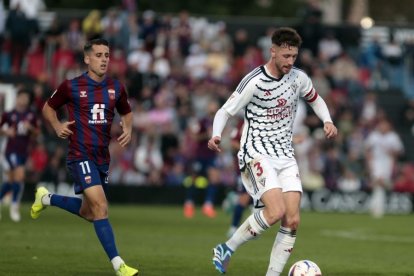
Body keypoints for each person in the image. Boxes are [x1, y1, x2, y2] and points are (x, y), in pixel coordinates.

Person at [208, 27, 337, 275]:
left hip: (285, 156)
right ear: (273, 51)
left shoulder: (298, 78)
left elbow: (316, 99)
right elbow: (225, 111)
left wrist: (327, 120)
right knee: (276, 212)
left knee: (293, 219)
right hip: (256, 151)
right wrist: (216, 134)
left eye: (294, 57)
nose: (290, 62)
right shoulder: (254, 81)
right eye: (286, 56)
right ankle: (226, 248)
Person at [30, 38, 139, 276]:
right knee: (101, 207)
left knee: (90, 213)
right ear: (87, 59)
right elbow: (48, 108)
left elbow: (127, 113)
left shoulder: (116, 88)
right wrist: (57, 125)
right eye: (98, 55)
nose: (103, 60)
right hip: (80, 154)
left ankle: (46, 198)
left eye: (107, 55)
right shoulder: (71, 86)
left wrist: (128, 129)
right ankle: (118, 265)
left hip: (102, 157)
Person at [0, 89, 39, 222]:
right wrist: (6, 132)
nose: (23, 100)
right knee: (20, 175)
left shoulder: (31, 115)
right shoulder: (8, 114)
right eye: (21, 97)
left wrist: (31, 129)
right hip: (11, 150)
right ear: (17, 98)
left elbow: (37, 134)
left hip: (23, 152)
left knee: (10, 181)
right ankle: (14, 206)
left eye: (25, 97)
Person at [364, 117, 403, 218]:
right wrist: (369, 162)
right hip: (375, 162)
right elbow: (367, 149)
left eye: (385, 125)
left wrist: (392, 152)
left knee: (381, 184)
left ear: (389, 126)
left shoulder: (393, 137)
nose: (382, 127)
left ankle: (374, 207)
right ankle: (378, 210)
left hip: (387, 163)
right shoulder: (374, 136)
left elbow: (399, 151)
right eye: (381, 125)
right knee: (378, 182)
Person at [226, 117, 251, 237]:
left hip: (260, 166)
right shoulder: (242, 123)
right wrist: (246, 150)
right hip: (244, 167)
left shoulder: (264, 122)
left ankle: (251, 230)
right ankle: (234, 227)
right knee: (244, 198)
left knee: (259, 200)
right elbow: (233, 142)